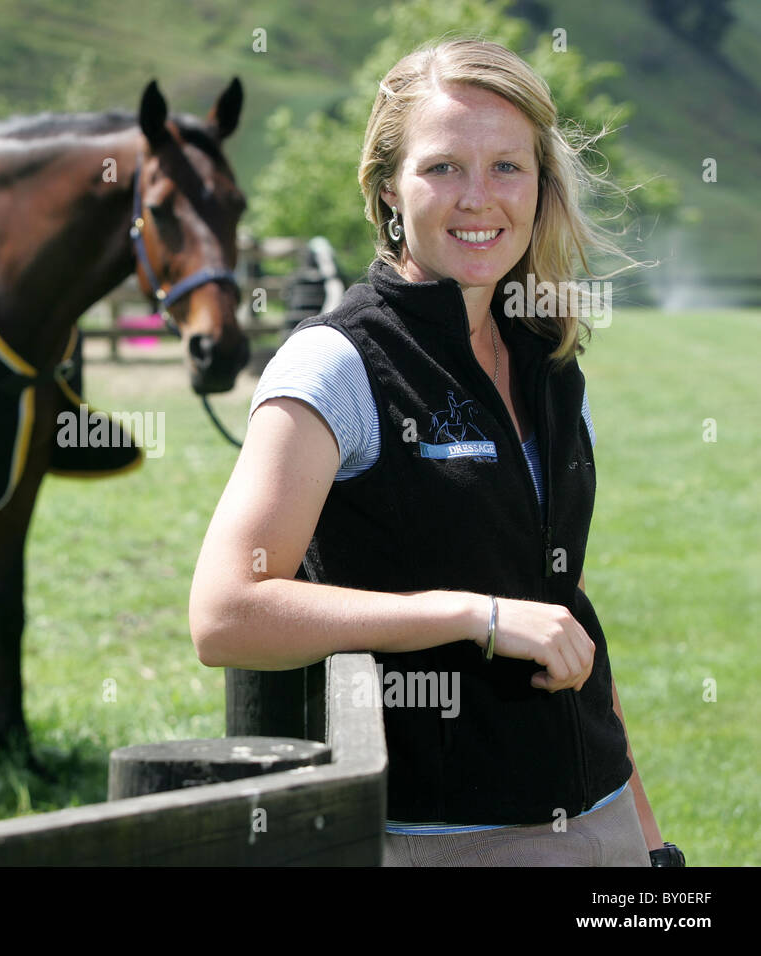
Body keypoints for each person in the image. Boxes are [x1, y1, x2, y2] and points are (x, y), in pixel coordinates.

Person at [189, 38, 680, 866]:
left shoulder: (551, 361)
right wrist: (471, 616)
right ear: (389, 186)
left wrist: (646, 838)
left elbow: (563, 611)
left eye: (507, 168)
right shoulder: (338, 364)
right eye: (443, 167)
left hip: (601, 817)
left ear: (541, 184)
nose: (478, 198)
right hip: (445, 837)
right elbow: (225, 613)